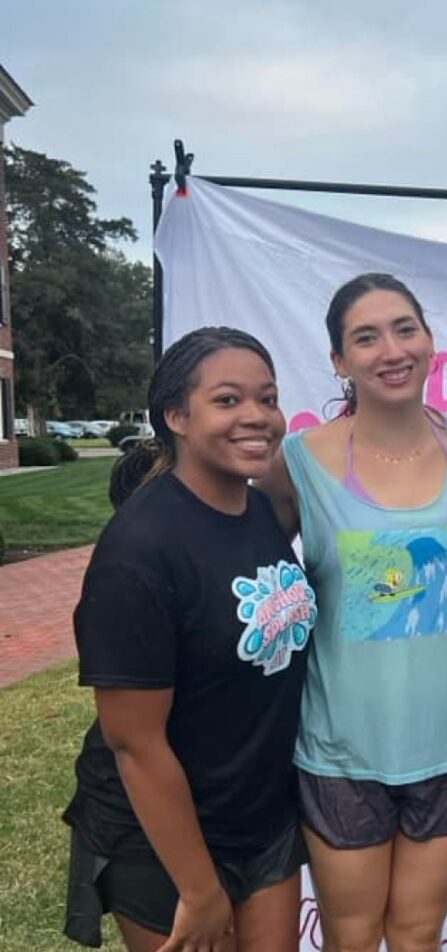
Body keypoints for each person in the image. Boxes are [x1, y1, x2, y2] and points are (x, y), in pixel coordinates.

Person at [63, 327, 318, 952]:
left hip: (259, 817)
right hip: (159, 840)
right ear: (176, 416)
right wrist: (199, 890)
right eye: (228, 400)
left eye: (268, 397)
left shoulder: (257, 510)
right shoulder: (140, 552)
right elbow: (135, 745)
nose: (257, 416)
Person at [258, 273, 447, 952]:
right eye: (366, 337)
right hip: (340, 757)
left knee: (419, 934)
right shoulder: (296, 463)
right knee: (352, 938)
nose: (391, 350)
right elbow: (260, 581)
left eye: (405, 329)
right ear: (339, 360)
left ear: (428, 342)